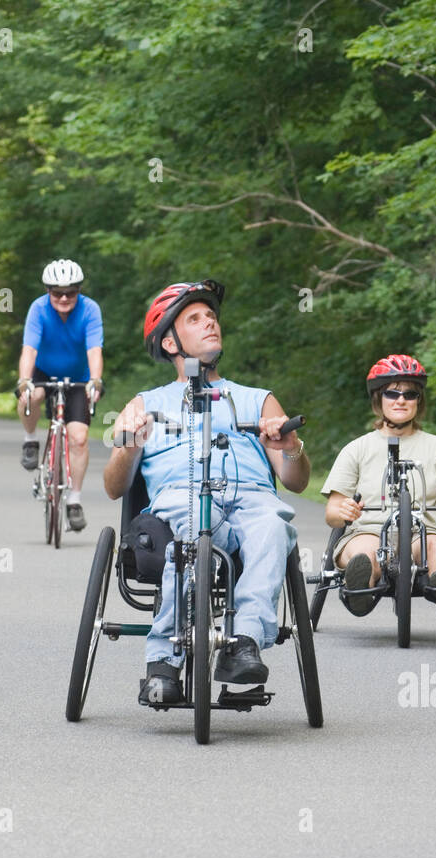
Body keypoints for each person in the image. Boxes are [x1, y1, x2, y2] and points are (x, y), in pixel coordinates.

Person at [104, 280, 309, 703]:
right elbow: (113, 487)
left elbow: (296, 481)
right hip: (182, 498)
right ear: (169, 341)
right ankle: (163, 663)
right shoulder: (146, 403)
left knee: (274, 526)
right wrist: (128, 442)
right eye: (194, 319)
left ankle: (243, 644)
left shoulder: (258, 399)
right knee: (196, 528)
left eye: (211, 317)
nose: (210, 323)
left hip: (252, 499)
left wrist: (289, 448)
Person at [320, 354, 436, 619]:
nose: (401, 400)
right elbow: (332, 512)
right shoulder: (356, 448)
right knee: (365, 552)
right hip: (368, 530)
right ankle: (361, 585)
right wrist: (343, 510)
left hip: (422, 532)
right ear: (378, 399)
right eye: (392, 393)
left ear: (419, 401)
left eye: (410, 394)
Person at [16, 258, 104, 532]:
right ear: (48, 291)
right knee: (30, 396)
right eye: (57, 292)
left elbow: (94, 351)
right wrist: (24, 381)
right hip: (43, 371)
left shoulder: (90, 310)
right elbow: (29, 350)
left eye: (71, 292)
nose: (64, 298)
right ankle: (31, 441)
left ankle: (74, 500)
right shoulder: (38, 309)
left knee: (78, 438)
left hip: (77, 378)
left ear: (79, 291)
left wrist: (95, 381)